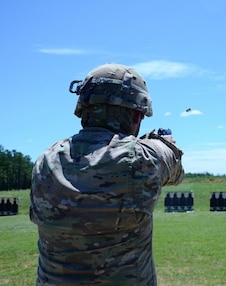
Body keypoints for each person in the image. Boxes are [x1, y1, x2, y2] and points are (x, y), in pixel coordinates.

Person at [30, 63, 184, 285]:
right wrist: (160, 141)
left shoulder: (45, 160)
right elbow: (175, 167)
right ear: (135, 114)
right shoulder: (143, 158)